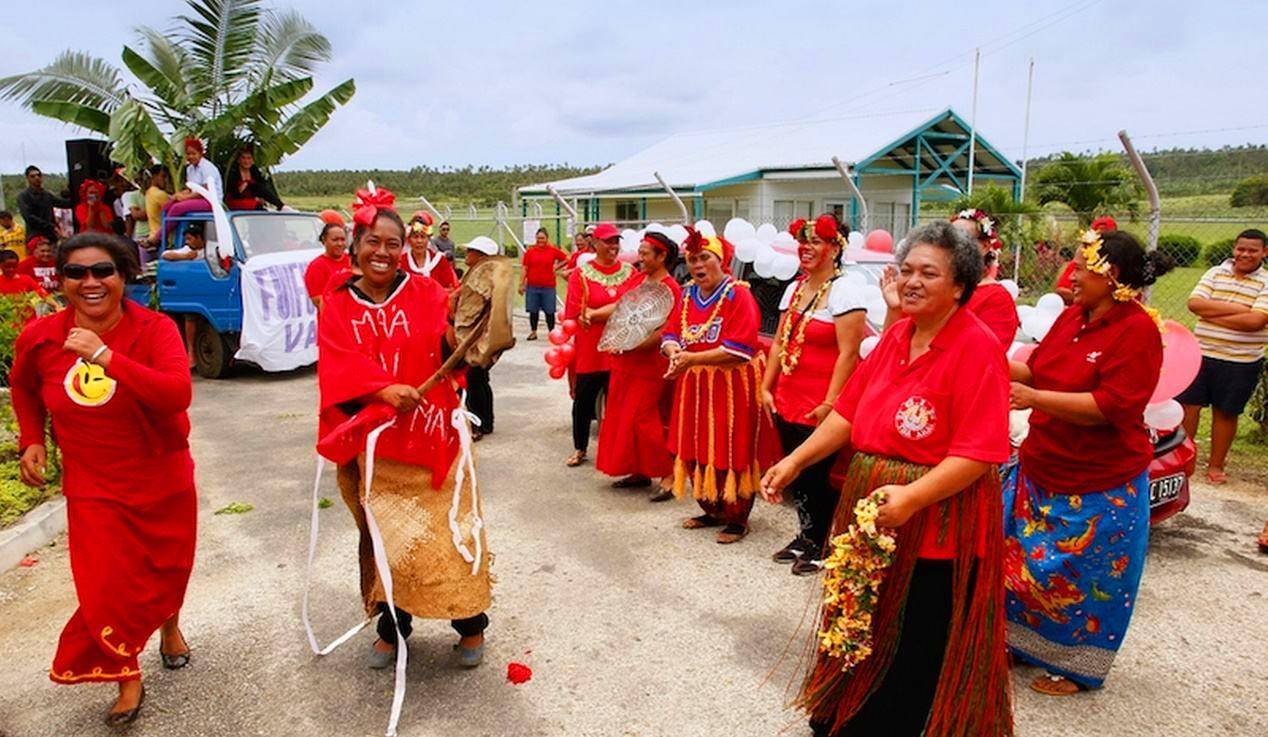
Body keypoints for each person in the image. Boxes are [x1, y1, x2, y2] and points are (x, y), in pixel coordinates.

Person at [761, 220, 1012, 737]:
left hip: (934, 522)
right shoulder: (898, 334)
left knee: (914, 635)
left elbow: (979, 454)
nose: (912, 282)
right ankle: (845, 710)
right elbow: (847, 415)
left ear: (960, 286)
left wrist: (913, 497)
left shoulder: (976, 346)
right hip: (876, 513)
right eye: (908, 270)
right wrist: (796, 461)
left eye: (930, 273)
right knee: (861, 619)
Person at [11, 232, 197, 727]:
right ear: (63, 280)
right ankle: (126, 673)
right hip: (93, 482)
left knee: (166, 568)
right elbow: (24, 385)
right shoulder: (42, 336)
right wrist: (32, 438)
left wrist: (105, 356)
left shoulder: (155, 330)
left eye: (103, 271)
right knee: (108, 584)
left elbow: (176, 393)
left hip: (162, 474)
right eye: (76, 272)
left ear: (123, 277)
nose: (90, 282)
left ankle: (170, 629)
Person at [317, 188, 490, 671]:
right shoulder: (336, 304)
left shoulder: (429, 293)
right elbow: (336, 364)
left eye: (393, 244)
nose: (384, 252)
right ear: (355, 246)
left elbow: (451, 343)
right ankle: (393, 628)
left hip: (435, 437)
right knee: (389, 541)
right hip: (378, 447)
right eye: (373, 241)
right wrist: (382, 390)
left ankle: (470, 623)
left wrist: (473, 324)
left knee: (450, 535)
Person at [1004, 228, 1174, 696]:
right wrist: (988, 360)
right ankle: (1020, 643)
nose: (1072, 275)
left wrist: (1034, 397)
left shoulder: (1137, 331)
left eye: (1081, 267)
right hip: (1044, 465)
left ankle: (1078, 668)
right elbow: (1037, 368)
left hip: (1101, 482)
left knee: (1088, 578)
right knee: (1025, 565)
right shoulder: (1072, 317)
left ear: (1110, 274)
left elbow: (1112, 406)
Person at [761, 215, 867, 575]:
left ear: (835, 248)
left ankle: (825, 541)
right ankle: (807, 535)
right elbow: (779, 342)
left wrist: (831, 402)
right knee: (798, 473)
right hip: (789, 396)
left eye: (816, 241)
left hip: (822, 402)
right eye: (802, 241)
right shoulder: (794, 289)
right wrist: (766, 386)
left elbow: (849, 352)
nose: (805, 248)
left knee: (819, 473)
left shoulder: (846, 289)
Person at [662, 228, 779, 544]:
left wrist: (691, 359)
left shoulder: (738, 294)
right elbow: (671, 334)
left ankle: (737, 517)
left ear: (722, 261)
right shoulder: (687, 295)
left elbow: (739, 348)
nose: (698, 265)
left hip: (732, 386)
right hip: (696, 383)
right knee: (698, 444)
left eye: (705, 258)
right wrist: (675, 353)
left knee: (731, 445)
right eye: (693, 259)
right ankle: (711, 507)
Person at [594, 231, 683, 501]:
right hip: (625, 359)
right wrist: (598, 320)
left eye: (645, 254)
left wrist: (632, 344)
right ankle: (639, 470)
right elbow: (622, 310)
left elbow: (666, 331)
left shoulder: (671, 289)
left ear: (662, 256)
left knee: (643, 418)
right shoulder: (637, 279)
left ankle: (667, 474)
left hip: (649, 362)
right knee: (622, 416)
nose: (639, 258)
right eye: (640, 252)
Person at [1177, 228, 1268, 484]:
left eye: (1252, 250)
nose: (1245, 254)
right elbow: (1195, 304)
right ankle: (1184, 461)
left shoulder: (1266, 282)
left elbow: (1256, 320)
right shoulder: (1215, 272)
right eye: (1241, 248)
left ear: (1264, 252)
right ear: (1234, 249)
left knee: (1226, 413)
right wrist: (1241, 309)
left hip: (1241, 360)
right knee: (1188, 408)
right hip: (1200, 354)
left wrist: (1212, 314)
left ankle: (1215, 466)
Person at [562, 222, 632, 467]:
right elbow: (576, 312)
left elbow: (632, 307)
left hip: (621, 348)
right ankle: (580, 447)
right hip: (590, 349)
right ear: (595, 243)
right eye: (608, 241)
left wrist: (595, 313)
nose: (613, 246)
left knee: (618, 401)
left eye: (616, 241)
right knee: (583, 401)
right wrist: (595, 314)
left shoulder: (629, 272)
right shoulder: (581, 275)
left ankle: (615, 451)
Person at [951, 208, 1019, 347]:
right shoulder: (936, 286)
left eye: (962, 239)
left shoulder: (997, 298)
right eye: (947, 239)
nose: (952, 246)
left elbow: (987, 353)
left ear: (985, 246)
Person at [460, 236, 504, 439]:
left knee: (474, 378)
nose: (467, 254)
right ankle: (486, 422)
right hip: (485, 336)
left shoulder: (484, 279)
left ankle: (479, 424)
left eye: (471, 251)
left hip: (481, 337)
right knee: (480, 379)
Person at [160, 138, 223, 234]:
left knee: (177, 208)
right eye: (188, 154)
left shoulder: (207, 167)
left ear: (200, 153)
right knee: (167, 206)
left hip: (210, 201)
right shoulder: (190, 169)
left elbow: (205, 191)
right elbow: (190, 189)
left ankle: (158, 237)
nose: (191, 157)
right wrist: (178, 195)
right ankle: (168, 237)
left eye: (194, 154)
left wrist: (185, 198)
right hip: (197, 199)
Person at [1054, 216, 1117, 305]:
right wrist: (1082, 298)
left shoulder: (1120, 263)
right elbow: (1060, 290)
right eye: (1098, 235)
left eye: (1107, 235)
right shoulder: (1080, 260)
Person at [519, 226, 568, 339]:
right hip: (532, 286)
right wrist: (521, 284)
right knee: (533, 310)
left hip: (548, 286)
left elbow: (566, 258)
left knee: (549, 311)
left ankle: (551, 332)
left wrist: (556, 267)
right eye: (538, 238)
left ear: (547, 238)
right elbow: (524, 268)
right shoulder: (530, 252)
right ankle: (533, 331)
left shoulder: (552, 250)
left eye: (542, 238)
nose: (540, 241)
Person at [400, 211, 459, 290]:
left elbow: (450, 288)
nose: (419, 241)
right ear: (409, 239)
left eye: (423, 237)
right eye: (415, 237)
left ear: (428, 239)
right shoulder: (401, 262)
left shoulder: (439, 261)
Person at [18, 166, 73, 243]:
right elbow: (29, 217)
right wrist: (51, 226)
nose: (37, 178)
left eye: (39, 175)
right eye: (33, 176)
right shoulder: (24, 196)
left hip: (50, 236)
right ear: (28, 178)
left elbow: (64, 204)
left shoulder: (47, 195)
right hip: (35, 237)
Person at [223, 144, 285, 211]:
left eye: (249, 158)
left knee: (256, 187)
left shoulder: (254, 171)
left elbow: (261, 188)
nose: (246, 161)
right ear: (238, 160)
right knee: (257, 206)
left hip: (251, 199)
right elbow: (234, 193)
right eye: (243, 158)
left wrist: (259, 198)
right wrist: (243, 187)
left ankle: (281, 205)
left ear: (252, 161)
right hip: (236, 200)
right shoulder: (233, 172)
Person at [304, 222, 351, 309]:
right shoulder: (316, 267)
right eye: (335, 240)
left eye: (343, 239)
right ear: (324, 240)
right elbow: (318, 301)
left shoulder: (354, 261)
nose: (340, 244)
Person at [141, 165, 172, 251]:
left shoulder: (149, 192)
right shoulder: (160, 194)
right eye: (163, 176)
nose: (165, 180)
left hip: (154, 235)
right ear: (154, 176)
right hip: (164, 238)